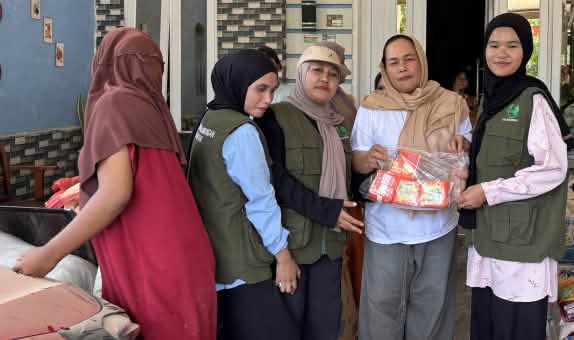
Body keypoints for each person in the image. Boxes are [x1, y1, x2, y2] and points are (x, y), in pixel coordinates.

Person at [13, 28, 217, 339]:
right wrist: (86, 186)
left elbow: (116, 193)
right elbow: (148, 177)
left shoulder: (113, 103)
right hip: (188, 258)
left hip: (152, 263)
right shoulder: (155, 109)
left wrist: (49, 254)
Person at [457, 13, 572, 340]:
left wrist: (488, 192)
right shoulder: (493, 97)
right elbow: (496, 155)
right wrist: (468, 146)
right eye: (493, 45)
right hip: (490, 235)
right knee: (488, 322)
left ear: (526, 52)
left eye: (512, 45)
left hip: (522, 240)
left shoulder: (532, 98)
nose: (501, 53)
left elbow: (553, 169)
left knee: (516, 325)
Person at [351, 34, 471, 340]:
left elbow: (466, 156)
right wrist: (367, 159)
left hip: (438, 225)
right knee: (382, 309)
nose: (402, 68)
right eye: (394, 62)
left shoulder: (451, 103)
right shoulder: (372, 108)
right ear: (385, 69)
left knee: (432, 309)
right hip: (387, 228)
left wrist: (463, 144)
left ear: (421, 61)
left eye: (409, 59)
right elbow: (357, 162)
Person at [187, 49, 300, 339]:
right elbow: (261, 201)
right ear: (237, 83)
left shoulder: (209, 118)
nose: (268, 99)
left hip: (213, 256)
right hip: (242, 262)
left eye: (273, 90)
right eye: (260, 89)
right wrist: (283, 256)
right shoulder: (242, 132)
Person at [256, 43, 363, 340]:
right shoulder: (274, 117)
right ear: (301, 73)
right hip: (292, 246)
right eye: (317, 70)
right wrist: (326, 211)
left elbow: (350, 177)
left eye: (333, 74)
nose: (324, 79)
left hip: (329, 246)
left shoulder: (338, 124)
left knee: (326, 328)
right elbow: (275, 180)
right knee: (288, 328)